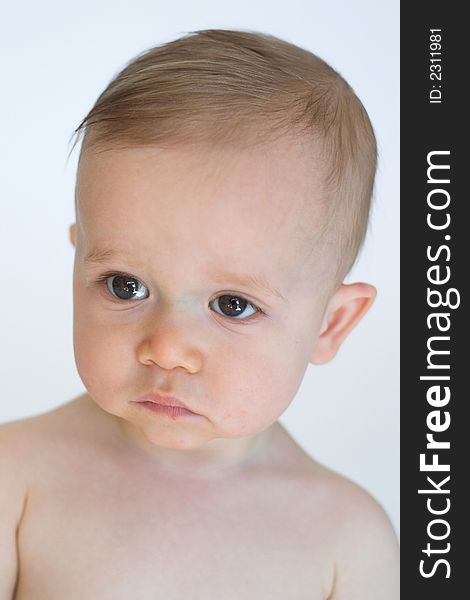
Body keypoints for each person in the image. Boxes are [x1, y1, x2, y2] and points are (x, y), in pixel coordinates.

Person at [0, 29, 399, 599]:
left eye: (232, 305)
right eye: (125, 285)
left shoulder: (348, 542)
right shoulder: (17, 479)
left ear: (331, 324)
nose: (166, 346)